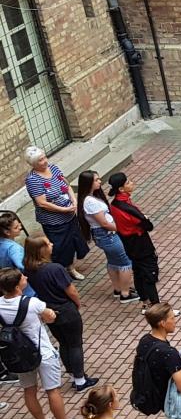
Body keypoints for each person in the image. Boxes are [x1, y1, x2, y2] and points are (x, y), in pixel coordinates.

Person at [0, 269, 81, 419]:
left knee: (29, 390)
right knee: (52, 390)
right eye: (22, 277)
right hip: (42, 351)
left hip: (19, 355)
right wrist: (48, 315)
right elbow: (50, 317)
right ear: (17, 287)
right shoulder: (32, 303)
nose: (26, 277)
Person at [23, 236, 96, 392]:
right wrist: (77, 303)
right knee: (75, 344)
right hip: (65, 309)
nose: (52, 244)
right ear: (41, 249)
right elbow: (71, 290)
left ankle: (73, 376)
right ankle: (81, 380)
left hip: (49, 310)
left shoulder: (28, 269)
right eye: (48, 243)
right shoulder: (55, 268)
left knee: (63, 342)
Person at [23, 147, 88, 278]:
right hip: (54, 221)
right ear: (33, 164)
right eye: (40, 160)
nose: (45, 161)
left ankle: (70, 266)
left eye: (44, 157)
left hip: (70, 215)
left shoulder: (53, 168)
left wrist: (73, 200)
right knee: (60, 246)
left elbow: (66, 185)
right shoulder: (33, 180)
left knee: (73, 241)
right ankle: (62, 270)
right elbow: (42, 203)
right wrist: (64, 209)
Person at [76, 171, 136, 302]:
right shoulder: (90, 202)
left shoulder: (91, 198)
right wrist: (121, 228)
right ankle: (125, 294)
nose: (100, 182)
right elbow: (104, 223)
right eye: (96, 180)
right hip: (107, 235)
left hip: (105, 235)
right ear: (88, 183)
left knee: (113, 262)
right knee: (125, 262)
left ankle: (118, 289)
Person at [105, 172, 160, 306]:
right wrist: (145, 218)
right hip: (140, 243)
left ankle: (145, 303)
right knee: (149, 274)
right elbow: (148, 225)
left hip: (128, 243)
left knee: (139, 272)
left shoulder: (114, 204)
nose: (132, 183)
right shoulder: (127, 208)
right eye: (128, 182)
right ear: (121, 189)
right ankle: (156, 306)